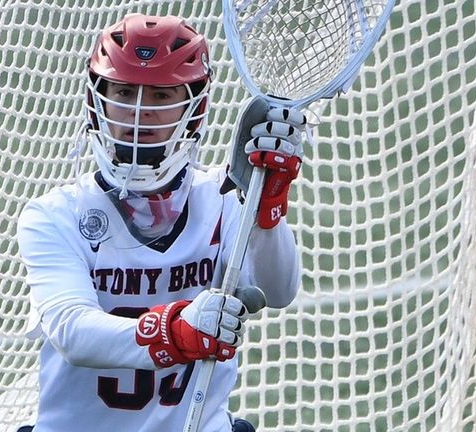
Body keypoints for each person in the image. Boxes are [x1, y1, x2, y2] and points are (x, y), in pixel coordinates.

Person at [16, 13, 305, 432]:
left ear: (195, 106)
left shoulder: (222, 201)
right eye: (124, 91)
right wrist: (175, 332)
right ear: (97, 98)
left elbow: (279, 291)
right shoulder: (54, 215)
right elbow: (72, 330)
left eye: (161, 95)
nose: (139, 111)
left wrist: (268, 207)